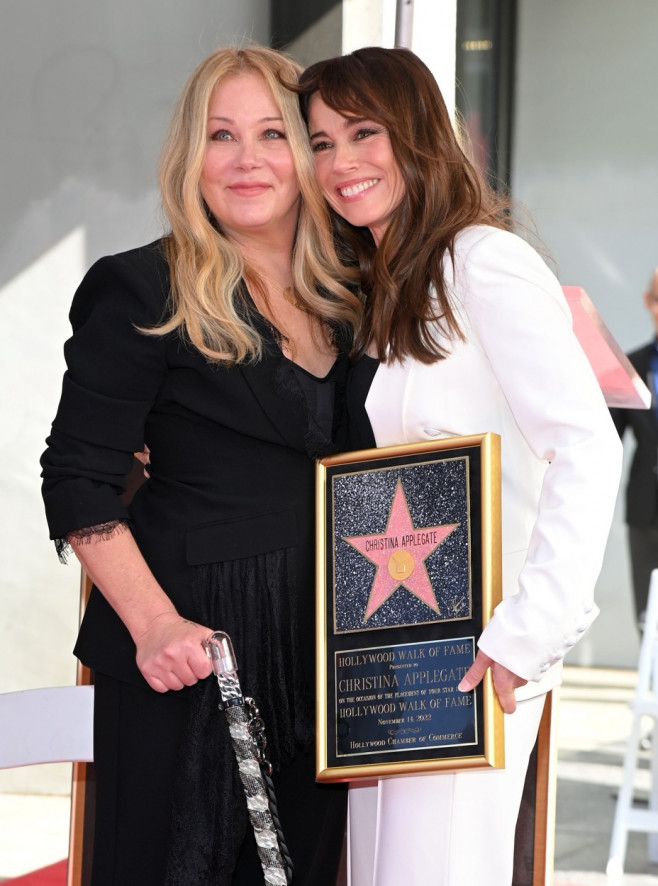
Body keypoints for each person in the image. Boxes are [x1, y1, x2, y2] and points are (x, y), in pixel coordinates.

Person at [298, 46, 622, 885]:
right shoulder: (388, 286)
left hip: (480, 659)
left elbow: (583, 444)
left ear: (417, 133)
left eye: (362, 131)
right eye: (322, 141)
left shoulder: (483, 261)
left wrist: (527, 633)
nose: (340, 161)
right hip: (391, 656)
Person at [40, 46, 361, 886]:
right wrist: (154, 627)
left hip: (328, 661)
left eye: (272, 133)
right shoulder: (141, 287)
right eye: (222, 135)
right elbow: (77, 475)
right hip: (190, 659)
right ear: (192, 157)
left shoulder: (362, 294)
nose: (247, 159)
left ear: (309, 152)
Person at [610, 267, 658, 632]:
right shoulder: (629, 366)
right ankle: (652, 683)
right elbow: (608, 438)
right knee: (647, 608)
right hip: (645, 505)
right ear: (648, 302)